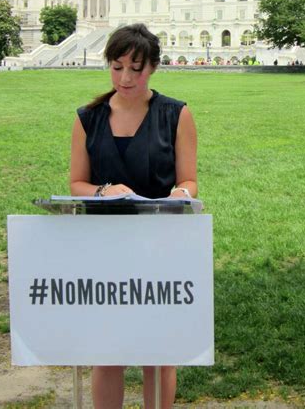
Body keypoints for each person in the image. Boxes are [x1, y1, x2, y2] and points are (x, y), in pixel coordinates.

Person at [70, 23, 197, 409]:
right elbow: (77, 183)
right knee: (107, 353)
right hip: (104, 249)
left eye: (136, 68)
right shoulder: (87, 118)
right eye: (117, 66)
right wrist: (104, 190)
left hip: (159, 244)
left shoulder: (176, 114)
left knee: (158, 354)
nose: (126, 77)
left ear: (153, 68)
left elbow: (189, 179)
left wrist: (180, 193)